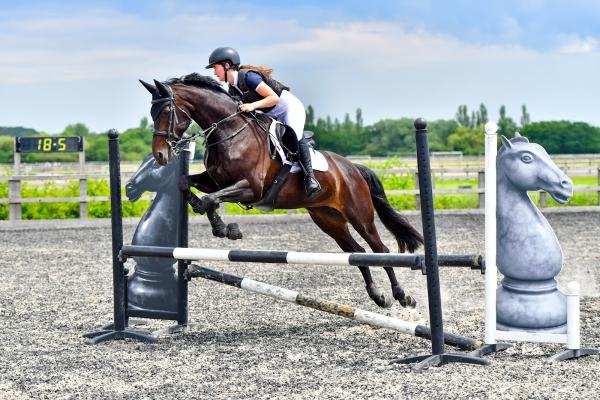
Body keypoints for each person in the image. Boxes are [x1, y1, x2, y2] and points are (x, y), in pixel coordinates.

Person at [206, 46, 321, 197]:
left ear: (227, 65)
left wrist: (252, 105)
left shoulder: (248, 77)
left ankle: (310, 178)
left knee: (294, 135)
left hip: (288, 108)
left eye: (215, 67)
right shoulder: (232, 90)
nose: (214, 72)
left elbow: (274, 98)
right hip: (270, 113)